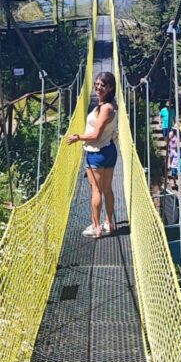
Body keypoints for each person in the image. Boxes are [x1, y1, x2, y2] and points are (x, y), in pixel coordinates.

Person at [68, 71, 118, 238]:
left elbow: (96, 135)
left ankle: (96, 228)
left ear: (111, 87)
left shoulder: (105, 109)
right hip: (109, 150)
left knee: (96, 191)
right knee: (107, 189)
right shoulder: (111, 105)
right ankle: (109, 224)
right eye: (97, 84)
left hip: (97, 152)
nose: (98, 88)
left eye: (102, 85)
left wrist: (78, 137)